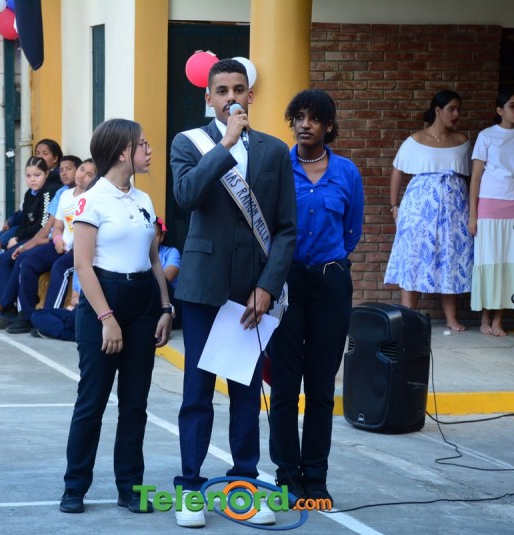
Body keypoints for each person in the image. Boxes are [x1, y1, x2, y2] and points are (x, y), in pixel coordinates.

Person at [169, 58, 296, 528]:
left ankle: (244, 485)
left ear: (250, 95)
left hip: (251, 292)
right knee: (197, 392)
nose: (231, 98)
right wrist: (224, 144)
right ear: (208, 98)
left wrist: (268, 286)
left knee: (246, 391)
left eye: (238, 90)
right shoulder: (189, 143)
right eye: (221, 91)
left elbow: (285, 229)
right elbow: (186, 196)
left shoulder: (273, 150)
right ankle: (190, 488)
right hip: (203, 287)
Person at [59, 119, 173, 515]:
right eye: (143, 144)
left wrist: (165, 307)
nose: (149, 150)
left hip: (143, 302)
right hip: (103, 300)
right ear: (123, 151)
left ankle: (131, 488)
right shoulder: (92, 200)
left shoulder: (143, 199)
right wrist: (107, 318)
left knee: (135, 404)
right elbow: (82, 264)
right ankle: (75, 487)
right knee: (92, 401)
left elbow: (154, 260)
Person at [266, 89, 363, 506]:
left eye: (314, 118)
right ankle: (287, 477)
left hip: (329, 283)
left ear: (328, 125)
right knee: (285, 387)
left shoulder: (346, 172)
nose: (305, 125)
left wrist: (328, 261)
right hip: (286, 283)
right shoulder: (278, 167)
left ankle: (316, 479)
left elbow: (352, 230)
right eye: (299, 117)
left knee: (321, 388)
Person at [384, 89, 473, 331]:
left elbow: (471, 176)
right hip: (419, 209)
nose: (456, 114)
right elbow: (397, 171)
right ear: (437, 110)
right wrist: (394, 206)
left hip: (454, 210)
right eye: (451, 109)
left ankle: (451, 318)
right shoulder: (415, 140)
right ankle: (407, 316)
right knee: (413, 256)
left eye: (458, 109)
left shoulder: (463, 141)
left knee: (450, 258)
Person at [5, 159, 95, 334]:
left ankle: (48, 319)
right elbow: (58, 226)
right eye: (82, 170)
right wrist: (57, 239)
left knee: (60, 268)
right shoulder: (65, 195)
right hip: (60, 245)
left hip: (79, 250)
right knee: (27, 263)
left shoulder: (93, 199)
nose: (82, 175)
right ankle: (26, 315)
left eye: (89, 174)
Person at [468, 91, 514, 336]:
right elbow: (476, 177)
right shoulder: (486, 136)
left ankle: (499, 319)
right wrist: (473, 214)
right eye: (511, 106)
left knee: (511, 262)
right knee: (488, 260)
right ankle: (484, 317)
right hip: (489, 204)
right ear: (499, 110)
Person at [0, 156, 61, 328]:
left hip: (44, 239)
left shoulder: (49, 191)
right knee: (4, 258)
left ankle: (4, 306)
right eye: (28, 176)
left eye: (37, 175)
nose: (32, 179)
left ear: (46, 174)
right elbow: (25, 222)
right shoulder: (30, 193)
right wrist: (16, 237)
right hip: (30, 237)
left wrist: (19, 240)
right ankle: (8, 309)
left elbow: (42, 226)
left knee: (20, 258)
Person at [0, 139, 65, 247]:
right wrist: (13, 223)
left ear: (55, 158)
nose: (40, 157)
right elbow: (25, 215)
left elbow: (42, 224)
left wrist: (18, 236)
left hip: (39, 235)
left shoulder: (52, 185)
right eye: (37, 153)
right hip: (26, 229)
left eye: (45, 153)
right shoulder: (31, 190)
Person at [154, 217, 183, 329]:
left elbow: (166, 278)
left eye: (155, 236)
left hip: (170, 304)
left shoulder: (171, 252)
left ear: (161, 237)